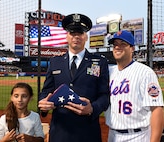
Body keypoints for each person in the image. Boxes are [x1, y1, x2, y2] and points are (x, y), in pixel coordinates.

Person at [38, 13, 110, 142]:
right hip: (60, 131)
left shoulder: (100, 62)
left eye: (80, 33)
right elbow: (45, 91)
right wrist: (43, 103)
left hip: (87, 132)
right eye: (72, 33)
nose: (76, 36)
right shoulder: (55, 62)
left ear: (86, 36)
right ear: (67, 36)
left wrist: (92, 108)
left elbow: (105, 95)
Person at [105, 30, 164, 142]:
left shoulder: (145, 72)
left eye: (123, 44)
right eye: (115, 45)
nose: (118, 47)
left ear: (132, 48)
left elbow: (157, 109)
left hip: (138, 136)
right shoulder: (108, 72)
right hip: (112, 135)